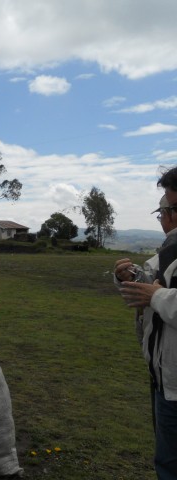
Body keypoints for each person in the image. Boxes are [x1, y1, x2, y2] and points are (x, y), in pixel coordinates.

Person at [115, 168, 177, 479]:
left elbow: (160, 294)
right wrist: (129, 278)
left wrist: (156, 296)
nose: (163, 217)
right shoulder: (169, 250)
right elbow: (153, 284)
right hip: (163, 376)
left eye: (165, 209)